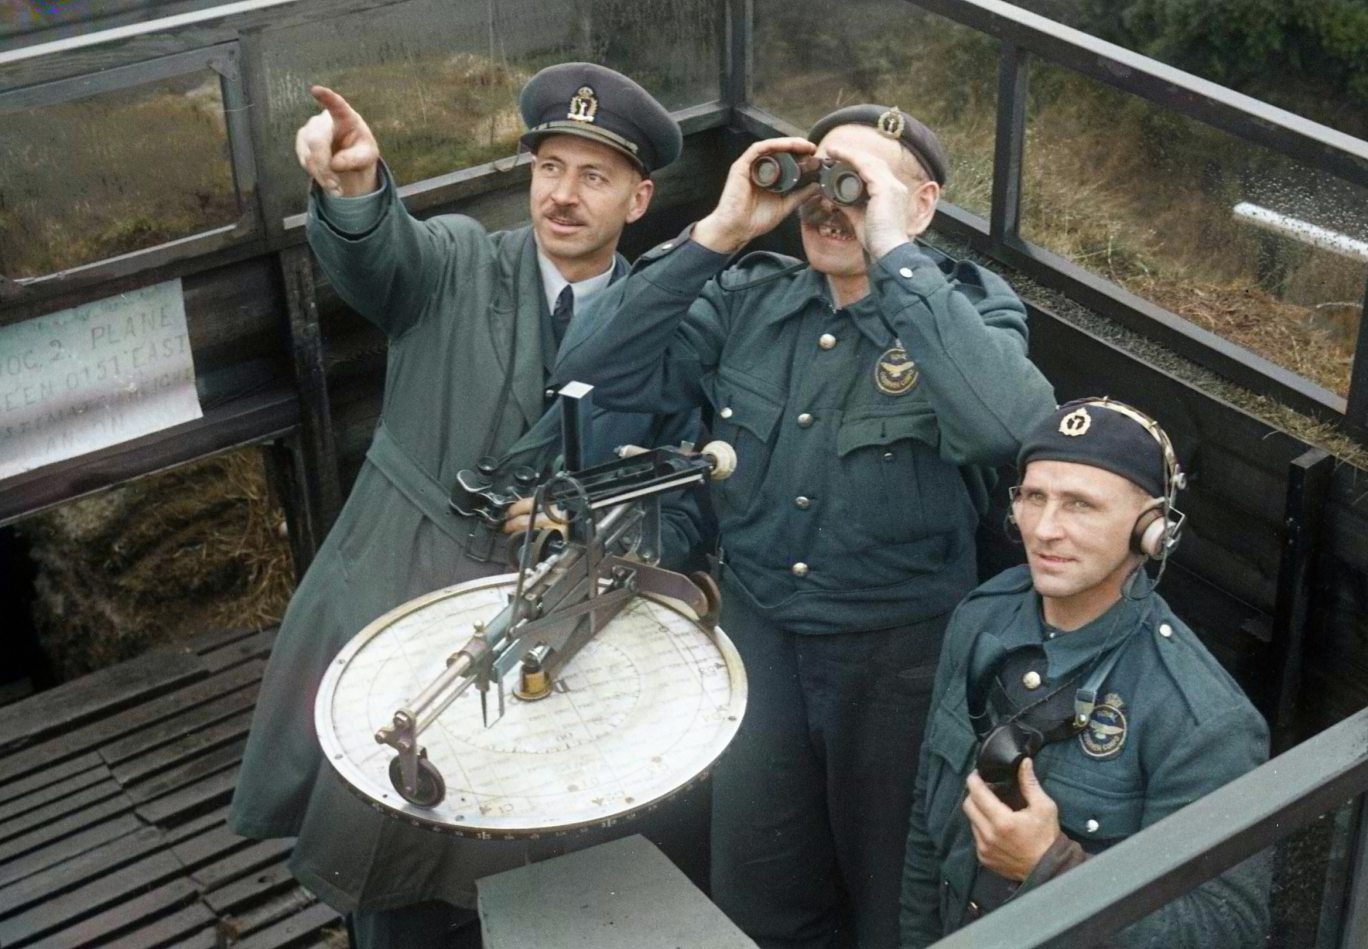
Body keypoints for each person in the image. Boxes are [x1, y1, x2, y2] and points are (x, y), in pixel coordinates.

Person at [227, 62, 706, 947]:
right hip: (403, 591)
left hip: (556, 632)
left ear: (639, 201)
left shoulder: (665, 323)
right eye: (549, 168)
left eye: (593, 176)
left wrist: (592, 530)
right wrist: (356, 187)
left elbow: (675, 497)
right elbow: (380, 255)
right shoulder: (453, 262)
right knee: (396, 852)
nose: (563, 195)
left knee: (534, 853)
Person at [554, 105, 1056, 948]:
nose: (832, 204)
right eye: (821, 180)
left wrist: (895, 253)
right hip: (758, 653)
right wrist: (721, 229)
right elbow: (589, 377)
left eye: (860, 187)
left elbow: (1011, 430)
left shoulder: (963, 311)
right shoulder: (750, 298)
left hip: (898, 668)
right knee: (760, 896)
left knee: (894, 904)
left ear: (923, 206)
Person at [898, 398, 1270, 947]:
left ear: (1152, 532)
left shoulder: (1201, 721)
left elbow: (1226, 928)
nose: (1045, 529)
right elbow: (926, 832)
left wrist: (1052, 868)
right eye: (1034, 497)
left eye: (1081, 505)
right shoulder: (982, 616)